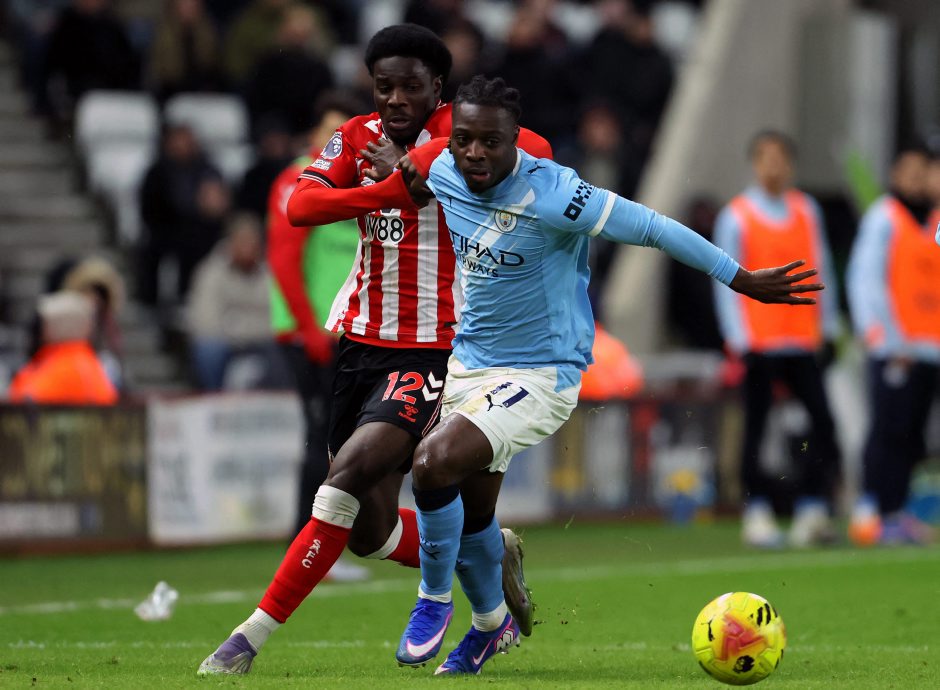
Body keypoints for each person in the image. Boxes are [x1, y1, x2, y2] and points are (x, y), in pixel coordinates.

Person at [387, 76, 823, 674]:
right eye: (463, 140)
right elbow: (410, 176)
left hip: (542, 373)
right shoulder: (442, 168)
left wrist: (738, 276)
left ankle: (432, 600)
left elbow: (654, 227)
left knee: (432, 463)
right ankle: (491, 625)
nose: (475, 153)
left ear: (517, 140)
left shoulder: (557, 194)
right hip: (469, 365)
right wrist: (392, 169)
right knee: (471, 516)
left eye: (491, 141)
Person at [197, 26, 550, 676]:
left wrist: (426, 162)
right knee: (369, 531)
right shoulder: (356, 137)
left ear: (437, 88)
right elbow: (302, 204)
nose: (395, 99)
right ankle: (486, 561)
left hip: (434, 351)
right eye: (383, 86)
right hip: (359, 346)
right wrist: (392, 190)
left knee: (344, 478)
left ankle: (246, 640)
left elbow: (536, 146)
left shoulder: (467, 138)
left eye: (410, 86)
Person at [712, 131, 842, 548]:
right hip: (760, 341)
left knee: (823, 423)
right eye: (766, 157)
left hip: (801, 338)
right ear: (755, 163)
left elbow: (821, 266)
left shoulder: (806, 209)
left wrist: (828, 327)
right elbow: (724, 279)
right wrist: (738, 337)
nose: (774, 165)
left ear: (790, 164)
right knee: (756, 428)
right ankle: (758, 511)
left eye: (781, 157)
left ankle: (812, 508)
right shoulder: (737, 215)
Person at [265, 92, 366, 553]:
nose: (336, 141)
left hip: (347, 333)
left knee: (342, 439)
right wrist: (309, 330)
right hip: (312, 336)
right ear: (313, 134)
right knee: (323, 438)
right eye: (330, 131)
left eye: (344, 133)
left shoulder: (357, 182)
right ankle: (309, 543)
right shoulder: (298, 179)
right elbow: (284, 261)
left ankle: (327, 541)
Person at [846, 145, 940, 545]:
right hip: (895, 348)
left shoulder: (934, 221)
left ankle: (897, 511)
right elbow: (865, 279)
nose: (918, 178)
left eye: (925, 170)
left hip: (929, 347)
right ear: (896, 175)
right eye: (911, 170)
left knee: (913, 435)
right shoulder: (884, 216)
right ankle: (870, 509)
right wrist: (881, 335)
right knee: (887, 429)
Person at [138, 123, 230, 306]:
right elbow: (149, 208)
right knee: (153, 250)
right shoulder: (157, 172)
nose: (183, 144)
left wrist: (213, 204)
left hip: (202, 230)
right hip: (166, 228)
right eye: (178, 140)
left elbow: (219, 203)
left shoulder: (207, 168)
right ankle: (154, 304)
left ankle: (195, 299)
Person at [186, 213, 275, 390]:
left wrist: (236, 321)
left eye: (253, 242)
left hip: (264, 344)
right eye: (242, 241)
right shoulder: (210, 272)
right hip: (227, 345)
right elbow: (206, 323)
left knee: (288, 350)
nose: (248, 248)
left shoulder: (270, 273)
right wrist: (250, 327)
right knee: (208, 348)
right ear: (230, 243)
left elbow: (279, 322)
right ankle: (213, 397)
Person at [8, 291, 118, 405]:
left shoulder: (77, 365)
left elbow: (26, 399)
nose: (32, 335)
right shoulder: (54, 360)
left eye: (39, 326)